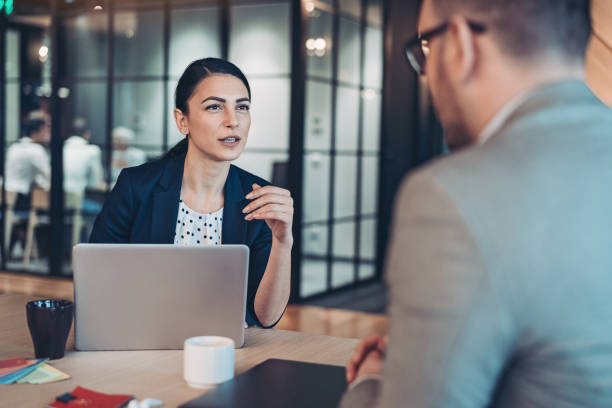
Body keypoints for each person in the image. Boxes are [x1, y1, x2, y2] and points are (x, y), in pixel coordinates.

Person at [341, 0, 612, 407]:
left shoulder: (451, 196)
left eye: (424, 51)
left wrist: (370, 380)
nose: (426, 74)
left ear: (459, 45)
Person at [90, 58, 293, 328]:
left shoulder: (257, 198)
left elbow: (265, 318)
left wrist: (283, 242)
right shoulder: (136, 186)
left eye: (242, 107)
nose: (233, 121)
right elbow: (97, 283)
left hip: (226, 350)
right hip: (143, 339)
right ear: (182, 121)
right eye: (214, 107)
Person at [5, 116, 51, 202]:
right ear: (34, 133)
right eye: (45, 130)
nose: (48, 134)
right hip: (21, 197)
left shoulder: (15, 146)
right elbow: (48, 174)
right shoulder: (36, 149)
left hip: (7, 194)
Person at [63, 117, 105, 196]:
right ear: (87, 134)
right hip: (77, 196)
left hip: (54, 196)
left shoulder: (61, 148)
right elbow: (96, 182)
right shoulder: (92, 150)